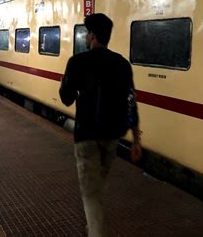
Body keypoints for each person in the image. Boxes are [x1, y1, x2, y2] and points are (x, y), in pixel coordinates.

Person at [59, 13, 142, 237]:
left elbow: (66, 98)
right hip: (111, 137)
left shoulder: (77, 62)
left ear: (93, 36)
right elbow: (131, 102)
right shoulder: (122, 64)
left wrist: (66, 82)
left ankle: (96, 232)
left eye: (87, 33)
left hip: (86, 137)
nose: (86, 37)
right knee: (97, 188)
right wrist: (136, 140)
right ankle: (92, 227)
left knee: (90, 194)